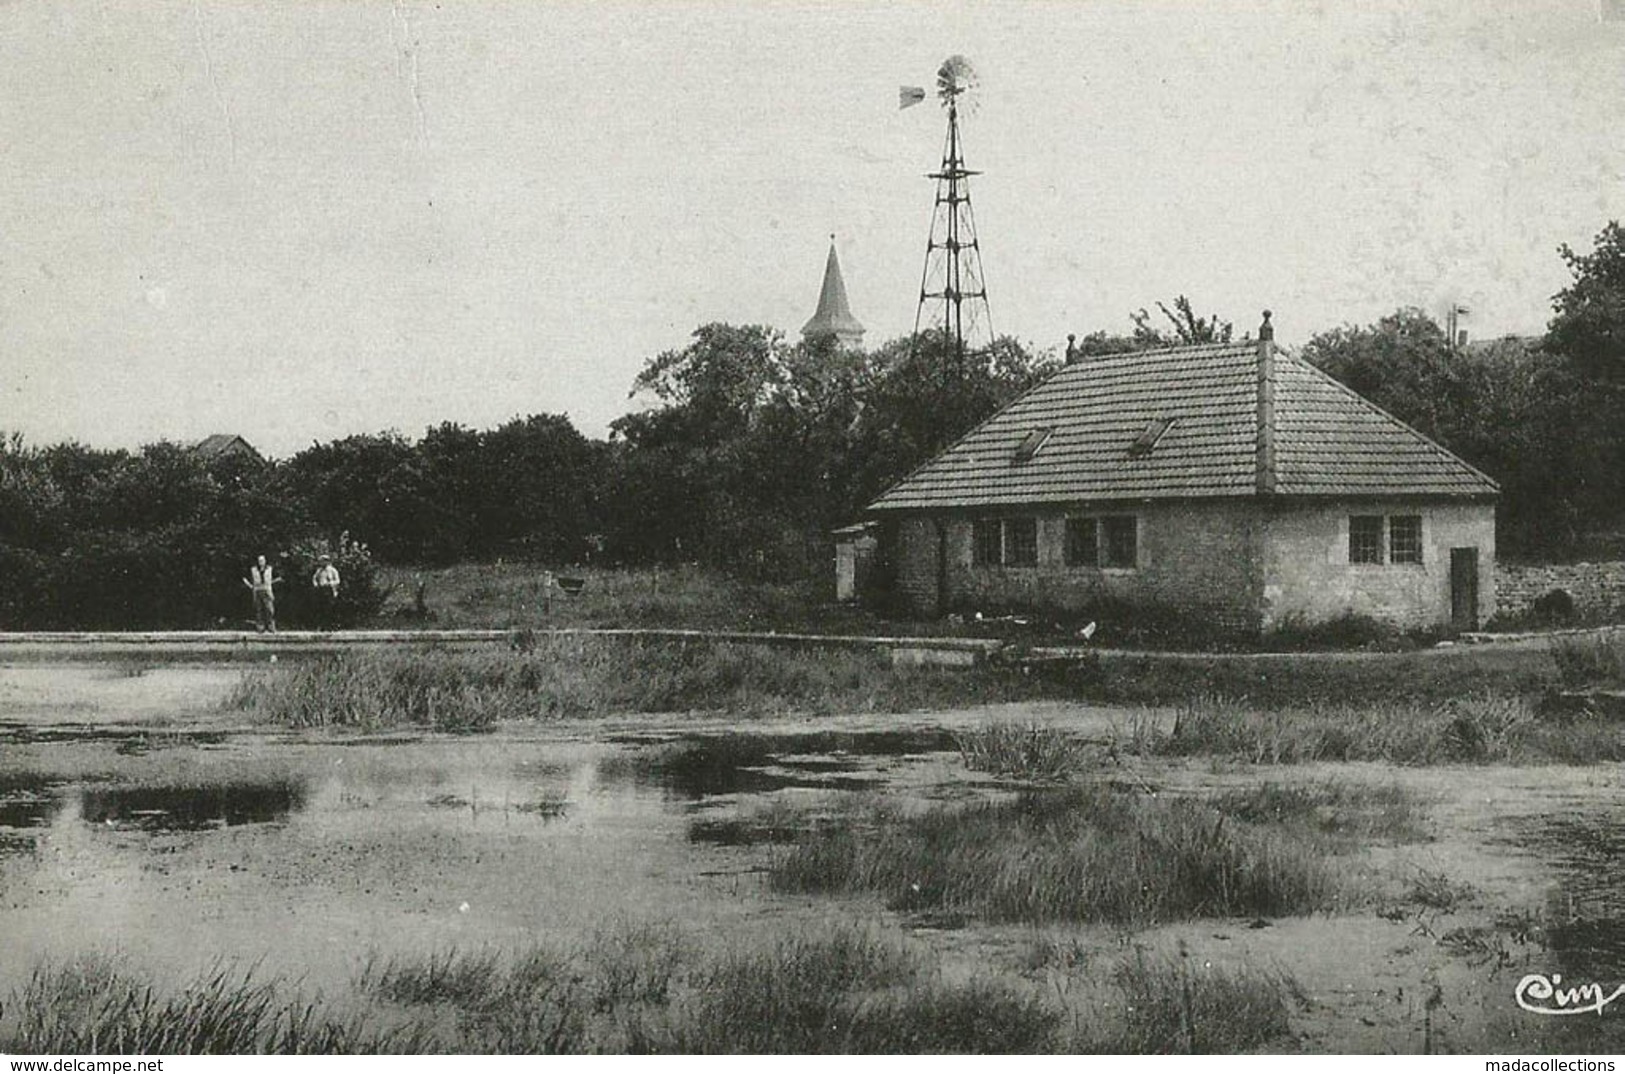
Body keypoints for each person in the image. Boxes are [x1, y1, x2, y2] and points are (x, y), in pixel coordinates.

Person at [243, 555, 278, 633]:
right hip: (257, 591)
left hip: (267, 591)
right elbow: (245, 578)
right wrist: (250, 586)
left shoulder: (270, 569)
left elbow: (277, 577)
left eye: (262, 560)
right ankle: (260, 627)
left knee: (269, 609)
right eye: (259, 561)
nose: (261, 562)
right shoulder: (253, 569)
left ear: (265, 561)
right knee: (258, 609)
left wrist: (270, 584)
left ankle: (270, 626)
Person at [311, 554, 341, 628]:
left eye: (323, 561)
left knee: (330, 608)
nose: (321, 563)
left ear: (327, 562)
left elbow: (337, 581)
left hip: (330, 591)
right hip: (321, 591)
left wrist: (330, 583)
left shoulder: (332, 570)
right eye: (320, 561)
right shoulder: (319, 571)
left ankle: (332, 625)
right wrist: (316, 584)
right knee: (321, 608)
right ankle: (322, 625)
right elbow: (314, 578)